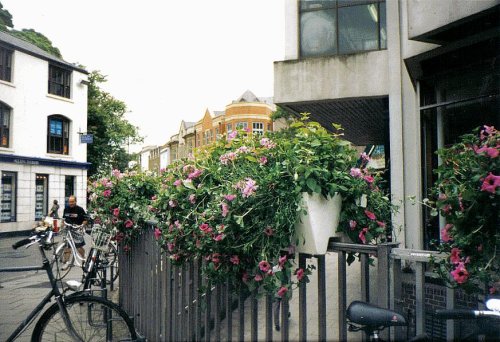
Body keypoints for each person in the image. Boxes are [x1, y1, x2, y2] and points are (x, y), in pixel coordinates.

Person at [61, 195, 87, 269]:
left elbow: (85, 219)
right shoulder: (66, 209)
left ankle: (84, 258)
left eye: (72, 202)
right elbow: (63, 219)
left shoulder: (80, 209)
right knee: (67, 246)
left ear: (75, 201)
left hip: (77, 229)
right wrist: (61, 227)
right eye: (69, 202)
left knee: (78, 247)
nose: (71, 203)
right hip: (68, 230)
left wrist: (82, 225)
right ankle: (66, 262)